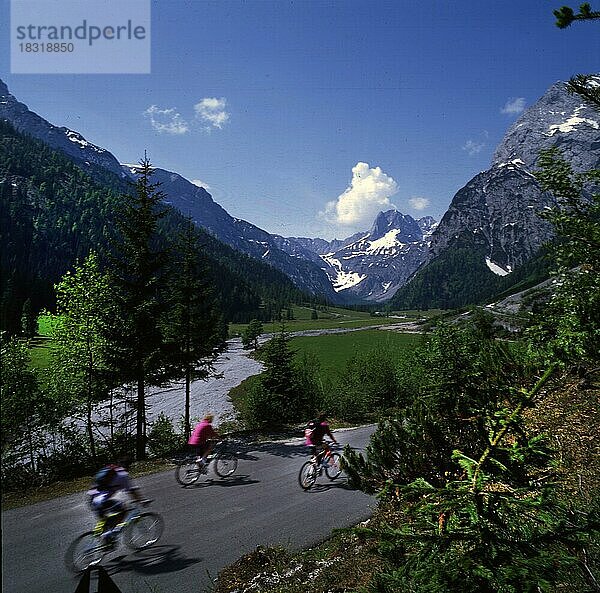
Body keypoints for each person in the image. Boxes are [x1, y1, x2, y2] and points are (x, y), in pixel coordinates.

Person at [87, 457, 143, 544]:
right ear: (129, 467)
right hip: (100, 501)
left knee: (106, 520)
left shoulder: (109, 470)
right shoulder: (123, 475)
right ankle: (107, 536)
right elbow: (132, 491)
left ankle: (104, 540)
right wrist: (142, 500)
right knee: (123, 510)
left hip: (92, 498)